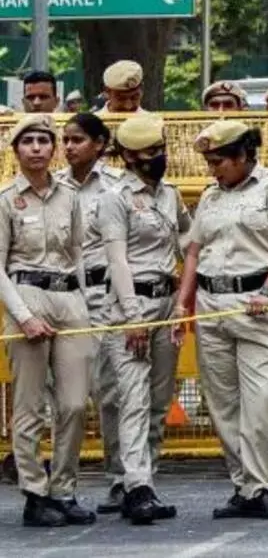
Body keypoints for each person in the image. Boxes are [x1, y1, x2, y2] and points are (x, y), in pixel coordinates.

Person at [174, 119, 268, 519]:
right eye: (210, 163)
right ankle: (244, 485)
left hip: (259, 305)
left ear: (244, 155)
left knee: (262, 401)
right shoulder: (211, 196)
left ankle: (260, 485)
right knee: (222, 402)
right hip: (213, 303)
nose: (213, 170)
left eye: (219, 162)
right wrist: (183, 303)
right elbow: (194, 251)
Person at [98, 113, 192, 523]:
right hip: (129, 304)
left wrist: (187, 291)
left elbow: (189, 238)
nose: (158, 157)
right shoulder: (114, 197)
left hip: (167, 303)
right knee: (132, 396)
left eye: (160, 150)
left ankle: (145, 478)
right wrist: (132, 316)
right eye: (149, 152)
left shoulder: (170, 194)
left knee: (158, 398)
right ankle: (135, 484)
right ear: (129, 157)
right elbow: (117, 260)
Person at [0, 115, 94, 527]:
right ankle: (35, 493)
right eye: (28, 141)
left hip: (69, 297)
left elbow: (78, 252)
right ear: (16, 150)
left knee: (74, 403)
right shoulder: (5, 199)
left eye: (43, 140)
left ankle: (64, 490)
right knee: (30, 405)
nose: (36, 148)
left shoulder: (69, 196)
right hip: (26, 294)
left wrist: (85, 303)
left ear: (53, 149)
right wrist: (23, 316)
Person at [58, 112, 128, 513]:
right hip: (64, 297)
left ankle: (120, 478)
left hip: (104, 296)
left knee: (111, 391)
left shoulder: (118, 186)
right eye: (66, 140)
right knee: (62, 396)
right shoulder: (52, 187)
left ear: (100, 144)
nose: (69, 147)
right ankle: (58, 484)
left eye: (78, 139)